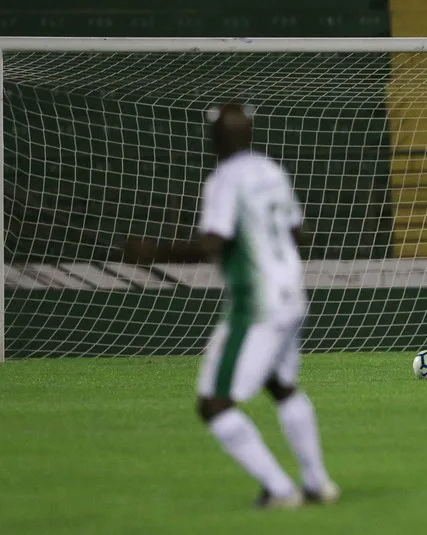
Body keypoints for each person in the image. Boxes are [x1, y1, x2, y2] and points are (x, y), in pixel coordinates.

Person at [122, 103, 339, 508]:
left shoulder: (225, 179)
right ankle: (317, 483)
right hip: (292, 295)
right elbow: (297, 232)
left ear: (216, 137)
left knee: (214, 405)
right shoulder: (272, 171)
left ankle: (280, 490)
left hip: (256, 304)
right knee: (281, 386)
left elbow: (212, 245)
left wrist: (152, 251)